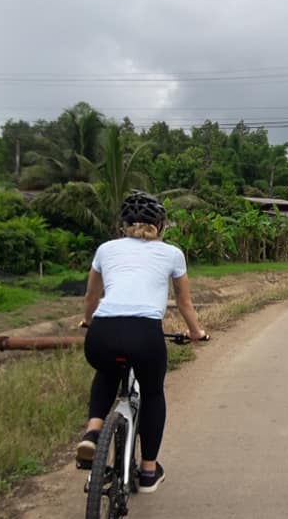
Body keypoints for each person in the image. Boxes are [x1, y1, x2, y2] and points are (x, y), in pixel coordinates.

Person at [76, 191, 209, 492]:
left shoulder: (106, 249)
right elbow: (184, 303)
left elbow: (91, 297)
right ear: (160, 225)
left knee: (106, 371)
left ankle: (93, 432)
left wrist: (89, 321)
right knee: (151, 395)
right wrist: (196, 332)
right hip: (145, 335)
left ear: (124, 225)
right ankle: (148, 471)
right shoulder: (172, 253)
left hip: (103, 333)